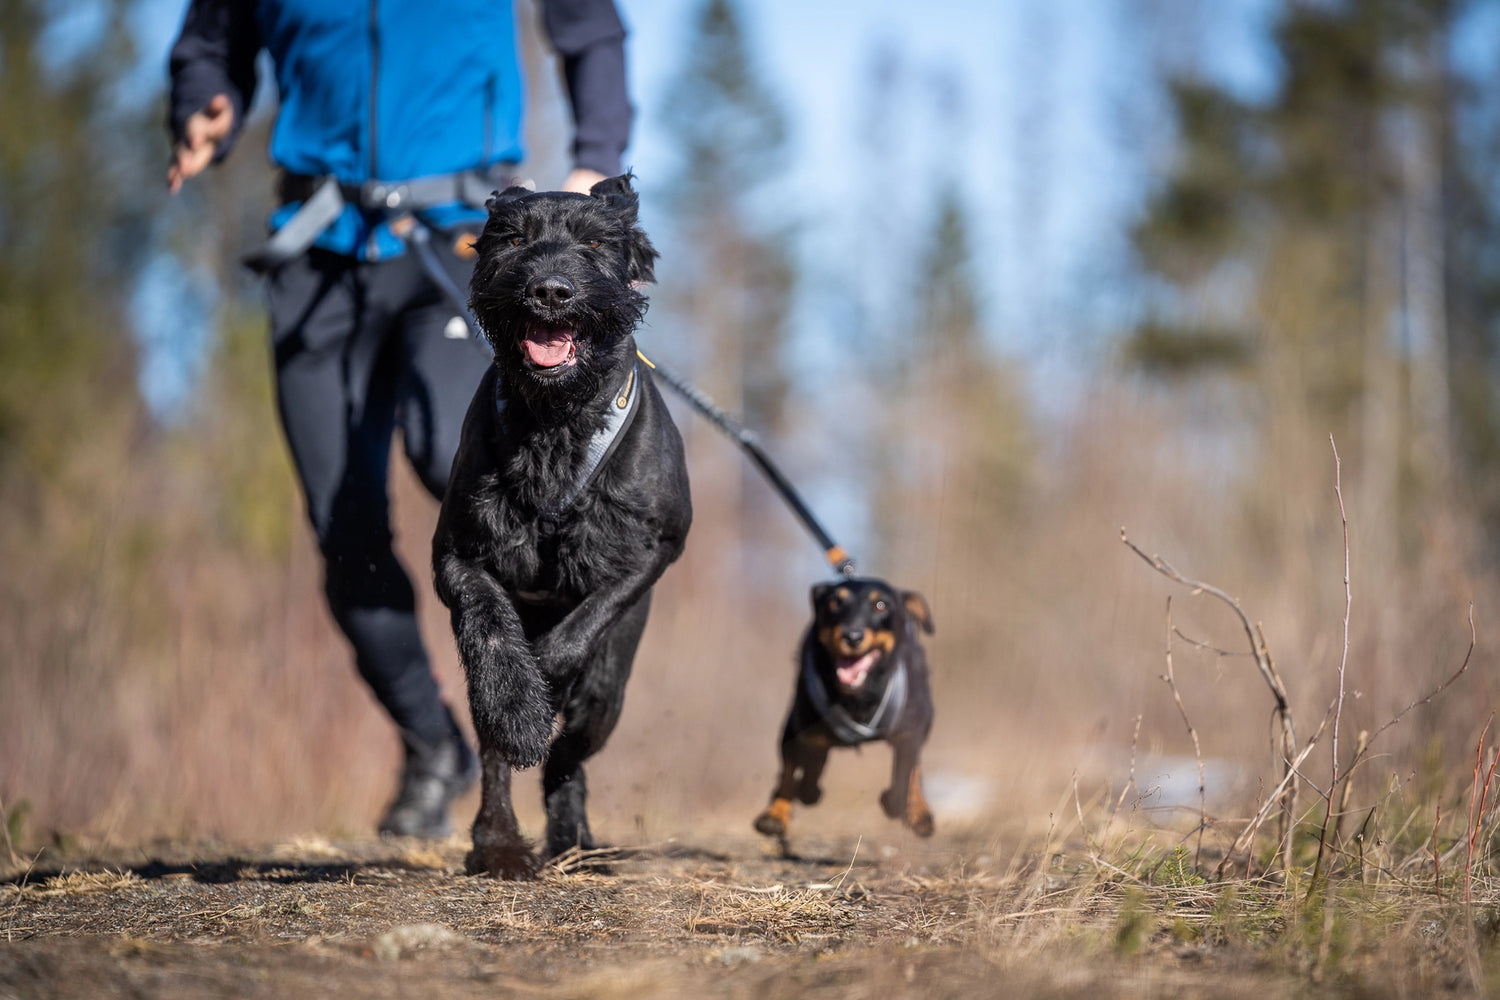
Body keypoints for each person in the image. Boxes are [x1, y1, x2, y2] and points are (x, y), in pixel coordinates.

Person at [165, 0, 634, 839]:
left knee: (468, 477)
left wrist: (595, 156)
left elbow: (589, 24)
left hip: (454, 243)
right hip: (314, 251)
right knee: (343, 531)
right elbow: (212, 40)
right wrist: (208, 98)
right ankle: (432, 746)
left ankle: (541, 693)